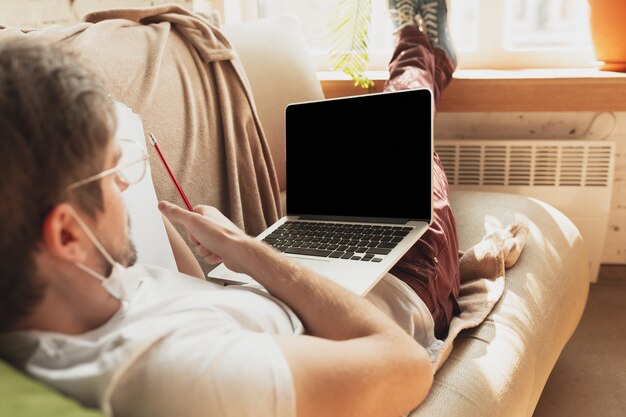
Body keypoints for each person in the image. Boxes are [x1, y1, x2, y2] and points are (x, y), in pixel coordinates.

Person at [0, 2, 528, 417]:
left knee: (365, 156)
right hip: (394, 297)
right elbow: (405, 367)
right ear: (66, 235)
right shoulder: (180, 379)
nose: (126, 184)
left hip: (275, 286)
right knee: (410, 135)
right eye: (116, 173)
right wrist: (251, 253)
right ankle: (420, 51)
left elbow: (183, 300)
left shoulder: (71, 297)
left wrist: (216, 244)